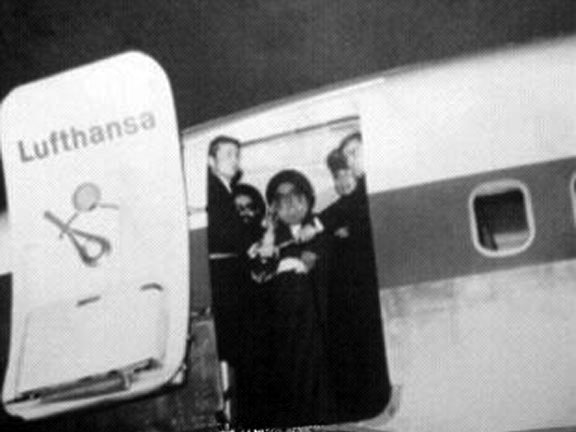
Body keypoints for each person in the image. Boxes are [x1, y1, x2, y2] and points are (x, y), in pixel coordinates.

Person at [247, 169, 332, 427]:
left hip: (326, 329)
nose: (290, 204)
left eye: (296, 196)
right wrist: (269, 238)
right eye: (282, 199)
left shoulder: (324, 226)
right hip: (288, 336)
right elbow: (260, 275)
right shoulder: (269, 239)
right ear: (274, 207)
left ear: (308, 199)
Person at [321, 134, 391, 420]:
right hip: (351, 300)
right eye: (338, 177)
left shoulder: (365, 197)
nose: (344, 180)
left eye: (347, 173)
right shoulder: (337, 212)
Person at [206, 135, 250, 385]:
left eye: (237, 155)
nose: (235, 160)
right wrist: (252, 245)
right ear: (211, 161)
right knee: (231, 342)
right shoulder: (213, 190)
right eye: (228, 155)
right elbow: (225, 236)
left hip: (228, 274)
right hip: (224, 277)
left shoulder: (223, 188)